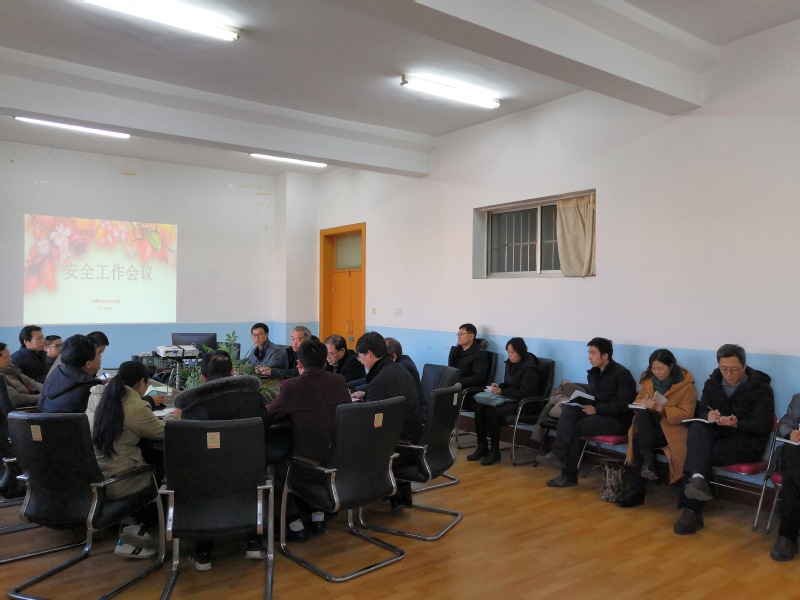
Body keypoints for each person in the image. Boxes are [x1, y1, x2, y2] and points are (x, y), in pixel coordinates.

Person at [173, 350, 268, 570]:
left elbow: (189, 445)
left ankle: (203, 551)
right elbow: (265, 427)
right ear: (233, 372)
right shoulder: (253, 397)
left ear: (202, 377)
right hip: (248, 472)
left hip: (207, 477)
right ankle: (253, 541)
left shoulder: (192, 404)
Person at [674, 344, 774, 535]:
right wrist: (708, 415)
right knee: (697, 427)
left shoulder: (762, 389)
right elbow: (702, 410)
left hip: (747, 443)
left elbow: (762, 424)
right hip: (718, 436)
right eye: (724, 369)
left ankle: (692, 510)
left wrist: (737, 423)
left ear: (744, 366)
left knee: (698, 454)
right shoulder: (712, 383)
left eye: (734, 369)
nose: (728, 374)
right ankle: (698, 482)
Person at [87, 361, 180, 559]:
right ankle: (136, 526)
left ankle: (131, 522)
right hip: (119, 480)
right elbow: (164, 432)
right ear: (141, 382)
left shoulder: (97, 395)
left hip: (94, 475)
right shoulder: (134, 407)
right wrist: (174, 415)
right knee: (159, 468)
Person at [265, 338, 352, 540]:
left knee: (276, 465)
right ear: (325, 362)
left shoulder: (291, 387)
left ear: (299, 363)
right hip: (337, 460)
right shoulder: (339, 382)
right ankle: (317, 516)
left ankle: (295, 524)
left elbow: (269, 416)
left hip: (307, 465)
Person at [544, 337, 636, 488]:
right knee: (570, 409)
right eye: (589, 353)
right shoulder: (594, 373)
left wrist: (597, 409)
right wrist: (584, 402)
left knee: (575, 426)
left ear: (605, 356)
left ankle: (567, 473)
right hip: (599, 413)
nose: (589, 357)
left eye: (593, 353)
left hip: (618, 420)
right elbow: (597, 397)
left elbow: (623, 405)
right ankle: (559, 453)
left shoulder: (622, 374)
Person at [616, 349, 697, 507]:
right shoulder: (648, 381)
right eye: (653, 369)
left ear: (671, 366)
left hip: (670, 429)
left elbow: (686, 415)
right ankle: (647, 460)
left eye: (660, 369)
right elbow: (638, 400)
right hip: (648, 426)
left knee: (639, 439)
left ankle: (637, 490)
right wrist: (642, 403)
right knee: (642, 417)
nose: (657, 372)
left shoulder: (685, 386)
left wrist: (661, 409)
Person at [352, 331, 422, 510]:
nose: (360, 361)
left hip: (397, 446)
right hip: (411, 437)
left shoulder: (380, 380)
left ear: (369, 353)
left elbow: (371, 424)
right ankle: (395, 493)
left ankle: (358, 493)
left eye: (360, 356)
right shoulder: (397, 369)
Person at [468, 337, 539, 466]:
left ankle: (495, 451)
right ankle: (482, 446)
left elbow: (524, 393)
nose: (510, 355)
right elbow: (510, 385)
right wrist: (499, 386)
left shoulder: (530, 369)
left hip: (524, 404)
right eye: (508, 352)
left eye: (512, 352)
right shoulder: (511, 364)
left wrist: (502, 391)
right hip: (509, 399)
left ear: (521, 352)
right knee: (479, 408)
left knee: (491, 412)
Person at [770, 393, 800, 561]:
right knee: (792, 452)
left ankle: (787, 536)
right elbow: (783, 425)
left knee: (791, 479)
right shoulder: (798, 399)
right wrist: (791, 433)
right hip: (796, 455)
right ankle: (787, 535)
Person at [39, 334, 102, 413]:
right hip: (73, 421)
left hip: (44, 419)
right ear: (88, 364)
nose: (100, 357)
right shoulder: (93, 387)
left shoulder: (56, 372)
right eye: (98, 354)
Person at [448, 323, 490, 391]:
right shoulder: (456, 351)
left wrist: (456, 381)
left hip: (465, 388)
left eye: (462, 334)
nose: (459, 337)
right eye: (458, 334)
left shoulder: (480, 354)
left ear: (471, 336)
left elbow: (478, 379)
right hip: (453, 384)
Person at [0, 342, 42, 408]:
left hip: (31, 405)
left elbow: (30, 382)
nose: (10, 359)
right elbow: (16, 399)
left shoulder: (11, 369)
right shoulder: (1, 377)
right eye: (6, 357)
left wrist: (47, 391)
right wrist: (42, 397)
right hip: (22, 410)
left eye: (9, 355)